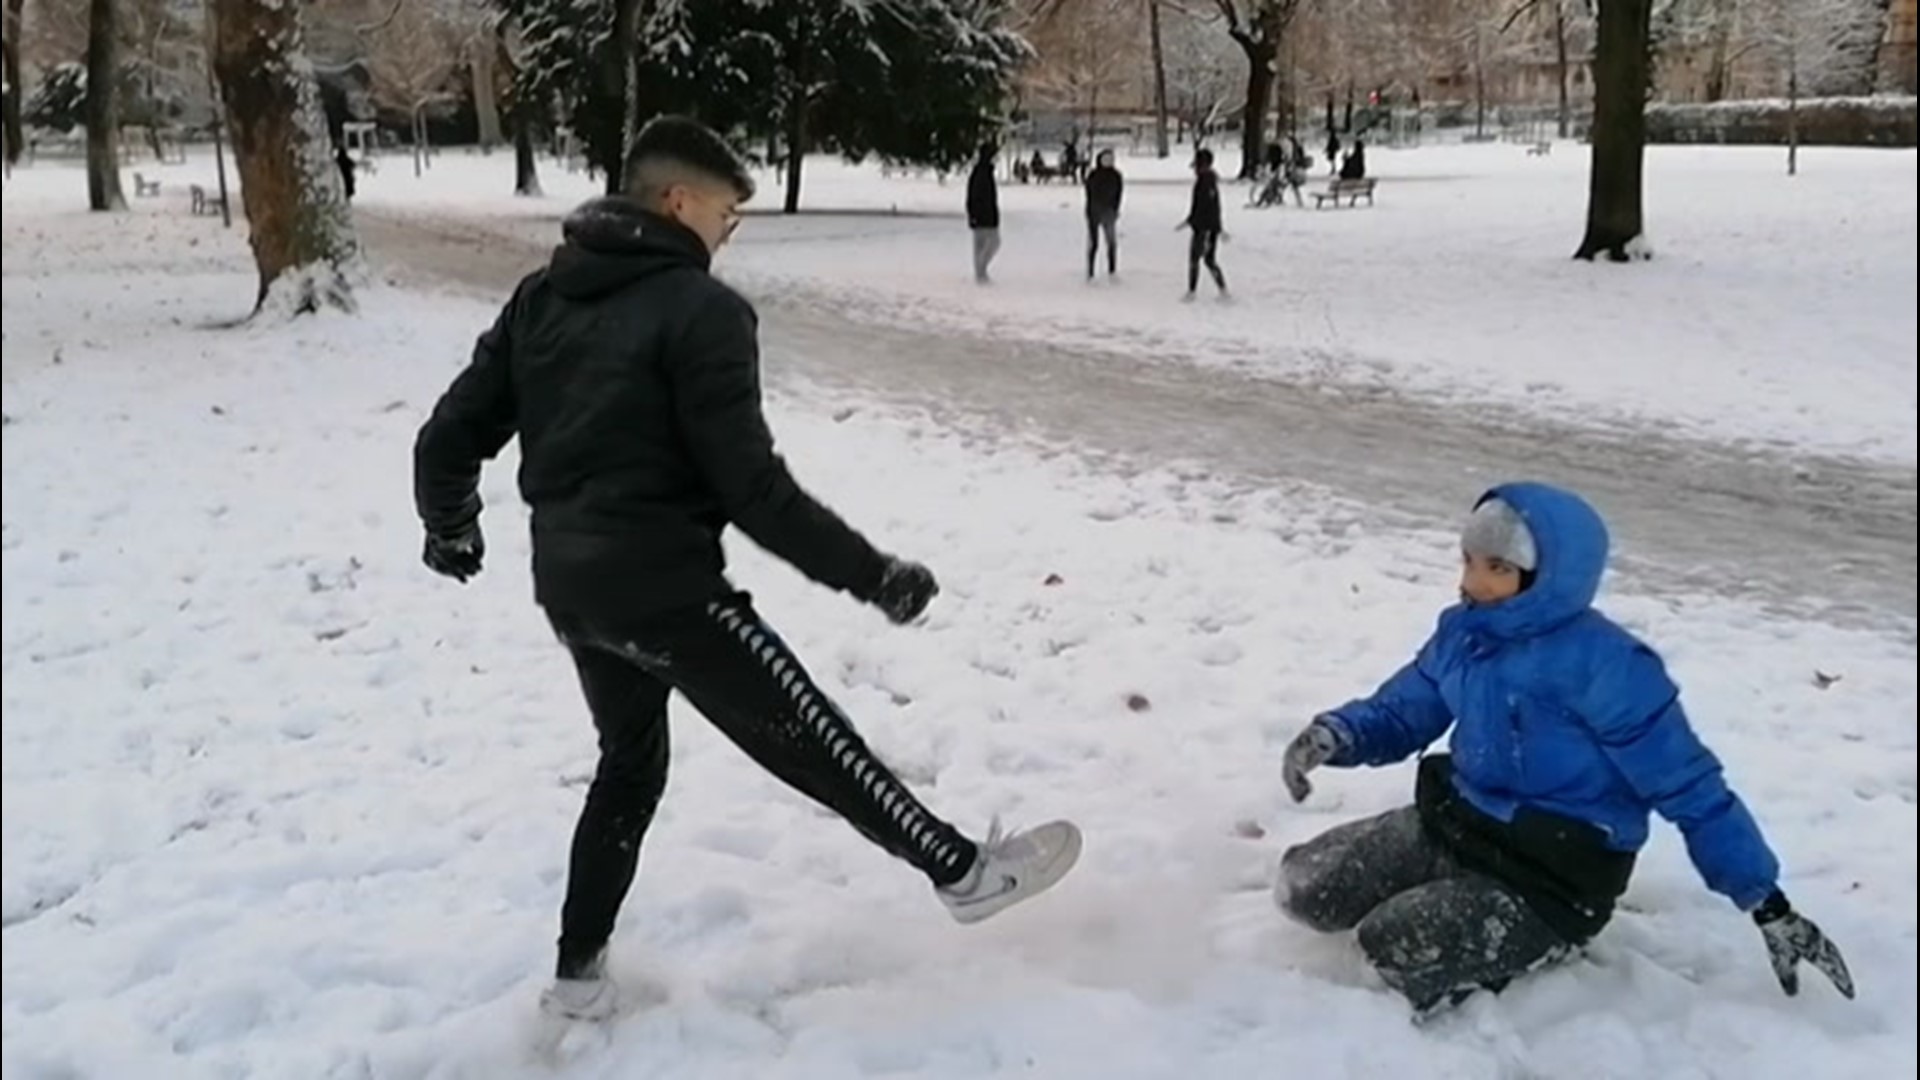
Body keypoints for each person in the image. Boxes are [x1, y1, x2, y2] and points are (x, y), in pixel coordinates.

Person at [412, 115, 1082, 1022]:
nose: (730, 234)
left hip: (572, 589)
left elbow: (449, 437)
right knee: (811, 733)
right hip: (668, 592)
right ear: (678, 201)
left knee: (629, 768)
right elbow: (754, 490)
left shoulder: (543, 295)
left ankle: (578, 979)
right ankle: (963, 872)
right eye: (728, 214)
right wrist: (872, 574)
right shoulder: (701, 311)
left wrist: (451, 529)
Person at [1274, 483, 1855, 1016]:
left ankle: (1551, 941)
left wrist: (1767, 903)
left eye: (1497, 567)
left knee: (1392, 947)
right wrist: (1337, 734)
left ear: (1547, 574)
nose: (1473, 582)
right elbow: (1406, 708)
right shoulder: (1465, 633)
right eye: (1469, 561)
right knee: (1305, 888)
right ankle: (1436, 879)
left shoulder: (1609, 668)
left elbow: (1692, 791)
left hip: (1551, 874)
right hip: (1456, 823)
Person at [1177, 148, 1227, 301]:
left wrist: (1210, 226)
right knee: (1207, 259)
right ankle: (1221, 289)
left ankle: (1194, 291)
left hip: (1204, 228)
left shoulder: (1205, 182)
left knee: (1199, 259)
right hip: (1205, 226)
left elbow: (1208, 207)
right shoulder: (1206, 181)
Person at [1082, 148, 1123, 280]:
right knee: (1094, 243)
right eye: (1106, 159)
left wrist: (1115, 209)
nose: (1108, 161)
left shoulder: (1116, 176)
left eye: (1110, 159)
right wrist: (1090, 210)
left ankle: (1112, 269)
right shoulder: (1093, 175)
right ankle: (1090, 270)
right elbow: (1089, 194)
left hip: (1109, 212)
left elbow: (1119, 195)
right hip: (1094, 212)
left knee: (1111, 242)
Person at [966, 142, 1001, 283]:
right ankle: (980, 271)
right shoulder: (982, 173)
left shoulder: (984, 171)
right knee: (992, 242)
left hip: (984, 214)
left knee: (982, 245)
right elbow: (976, 195)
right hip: (984, 215)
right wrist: (975, 213)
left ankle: (980, 272)